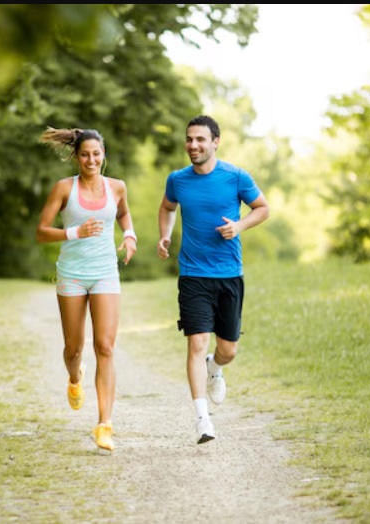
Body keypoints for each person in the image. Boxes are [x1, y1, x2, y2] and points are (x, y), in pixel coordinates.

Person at [156, 115, 269, 444]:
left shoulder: (235, 177)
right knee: (195, 342)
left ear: (215, 142)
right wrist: (165, 235)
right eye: (189, 139)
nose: (193, 145)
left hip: (229, 275)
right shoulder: (177, 180)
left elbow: (262, 208)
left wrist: (239, 226)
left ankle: (215, 368)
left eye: (200, 140)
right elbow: (167, 207)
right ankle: (202, 420)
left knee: (228, 350)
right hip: (193, 275)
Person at [36, 126, 137, 452]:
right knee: (74, 349)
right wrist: (74, 232)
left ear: (103, 155)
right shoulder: (64, 188)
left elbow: (122, 214)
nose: (91, 160)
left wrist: (130, 234)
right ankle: (75, 377)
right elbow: (41, 231)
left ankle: (104, 424)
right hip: (73, 275)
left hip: (105, 272)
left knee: (105, 347)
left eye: (96, 154)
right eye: (85, 154)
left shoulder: (117, 187)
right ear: (76, 157)